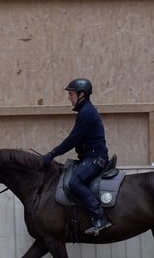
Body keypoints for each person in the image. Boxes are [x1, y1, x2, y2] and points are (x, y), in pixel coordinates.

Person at [42, 78, 112, 236]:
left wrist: (52, 153)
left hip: (96, 159)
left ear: (82, 95)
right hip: (88, 158)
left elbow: (73, 139)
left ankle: (99, 217)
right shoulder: (84, 111)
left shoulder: (87, 112)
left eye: (71, 94)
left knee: (75, 182)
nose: (69, 97)